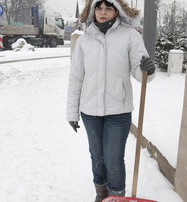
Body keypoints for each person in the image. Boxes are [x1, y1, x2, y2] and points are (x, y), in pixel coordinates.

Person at [66, 0, 156, 201]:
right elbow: (76, 78)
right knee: (97, 158)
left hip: (119, 111)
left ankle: (116, 197)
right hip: (90, 111)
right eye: (99, 8)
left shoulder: (130, 35)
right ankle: (101, 193)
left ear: (117, 10)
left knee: (113, 160)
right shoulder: (84, 40)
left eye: (108, 8)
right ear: (93, 10)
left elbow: (140, 71)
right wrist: (72, 112)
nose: (103, 12)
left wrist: (147, 69)